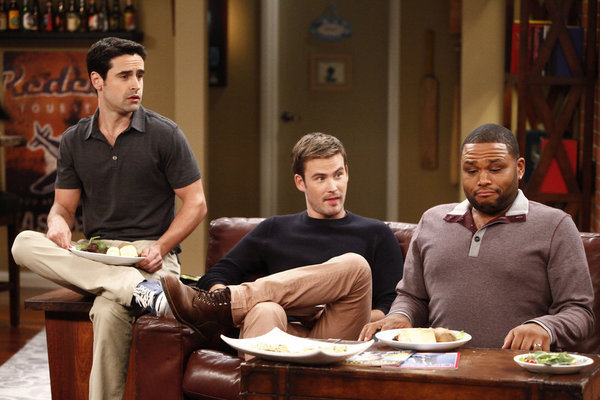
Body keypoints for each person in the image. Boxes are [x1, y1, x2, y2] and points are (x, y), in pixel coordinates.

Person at [11, 37, 207, 400]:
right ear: (97, 80)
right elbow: (64, 208)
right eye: (125, 76)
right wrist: (57, 223)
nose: (136, 85)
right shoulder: (74, 140)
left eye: (140, 75)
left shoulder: (165, 134)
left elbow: (196, 203)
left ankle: (133, 287)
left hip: (150, 256)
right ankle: (133, 288)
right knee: (23, 243)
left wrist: (161, 247)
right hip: (97, 253)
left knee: (108, 309)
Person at [359, 123, 595, 351]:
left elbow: (579, 312)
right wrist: (401, 315)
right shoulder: (432, 221)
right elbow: (412, 297)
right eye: (471, 171)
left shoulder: (555, 225)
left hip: (515, 368)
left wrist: (544, 327)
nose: (483, 180)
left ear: (520, 168)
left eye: (495, 169)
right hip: (439, 364)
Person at [157, 132, 404, 344]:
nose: (333, 187)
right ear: (300, 182)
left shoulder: (376, 233)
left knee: (355, 265)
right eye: (320, 178)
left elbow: (393, 306)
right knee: (265, 309)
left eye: (338, 175)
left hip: (340, 333)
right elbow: (216, 275)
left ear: (347, 173)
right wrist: (223, 293)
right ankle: (224, 311)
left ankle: (227, 303)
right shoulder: (274, 229)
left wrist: (328, 311)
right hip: (284, 332)